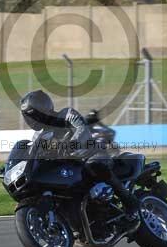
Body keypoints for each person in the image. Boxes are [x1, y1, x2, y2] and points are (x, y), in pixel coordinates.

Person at [19, 90, 140, 223]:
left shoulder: (66, 115)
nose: (31, 119)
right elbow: (35, 155)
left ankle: (129, 200)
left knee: (94, 165)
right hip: (68, 167)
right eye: (28, 116)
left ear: (43, 108)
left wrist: (69, 145)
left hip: (91, 155)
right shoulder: (38, 136)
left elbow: (82, 131)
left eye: (33, 114)